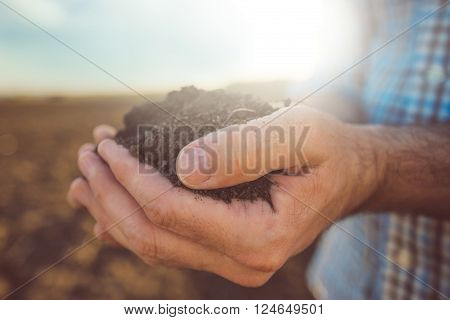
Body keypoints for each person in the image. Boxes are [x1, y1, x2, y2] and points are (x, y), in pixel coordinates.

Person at [67, 0, 449, 299]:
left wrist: (370, 166)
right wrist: (303, 133)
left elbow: (364, 160)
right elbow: (344, 78)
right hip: (341, 289)